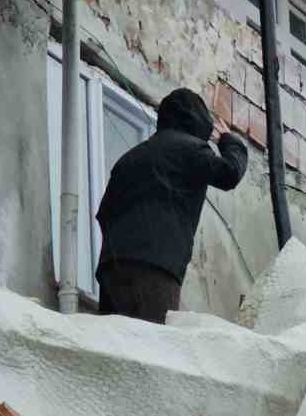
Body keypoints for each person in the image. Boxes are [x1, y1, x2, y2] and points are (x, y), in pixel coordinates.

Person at [95, 88, 248, 323]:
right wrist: (229, 141)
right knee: (151, 342)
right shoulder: (191, 149)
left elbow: (104, 213)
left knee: (113, 342)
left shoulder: (129, 159)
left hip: (111, 270)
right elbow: (230, 173)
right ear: (197, 121)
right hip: (156, 269)